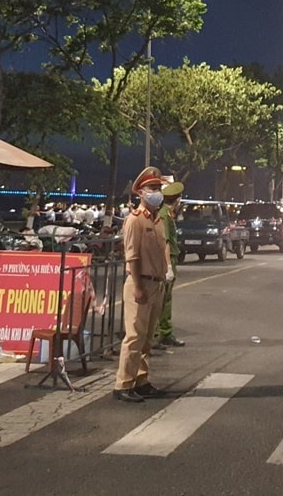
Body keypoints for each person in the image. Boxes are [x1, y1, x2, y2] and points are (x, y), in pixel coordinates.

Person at [113, 166, 173, 403]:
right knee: (134, 337)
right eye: (152, 188)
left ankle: (141, 379)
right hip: (141, 284)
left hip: (156, 284)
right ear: (140, 192)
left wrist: (166, 273)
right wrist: (138, 286)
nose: (156, 192)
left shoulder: (158, 220)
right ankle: (123, 384)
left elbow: (162, 249)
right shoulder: (134, 221)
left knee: (147, 338)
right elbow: (132, 257)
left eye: (158, 188)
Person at [154, 179, 186, 349]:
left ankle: (165, 333)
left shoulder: (168, 214)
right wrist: (167, 267)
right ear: (178, 199)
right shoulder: (164, 215)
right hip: (167, 260)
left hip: (171, 258)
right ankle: (156, 335)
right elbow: (165, 242)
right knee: (161, 298)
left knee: (166, 298)